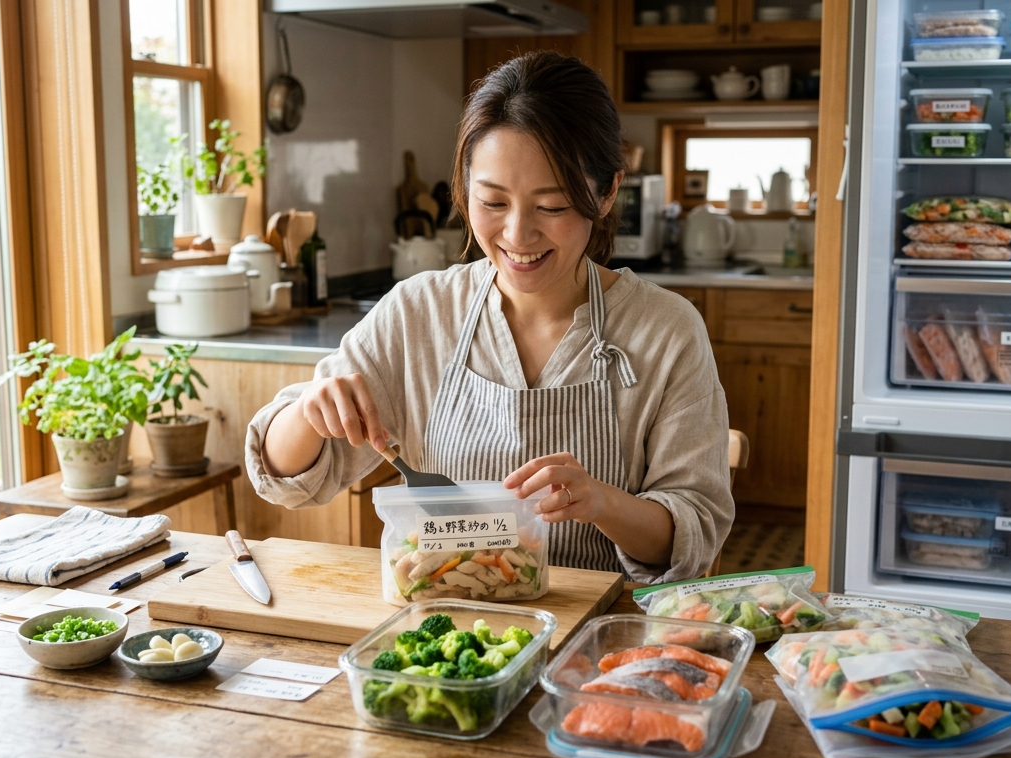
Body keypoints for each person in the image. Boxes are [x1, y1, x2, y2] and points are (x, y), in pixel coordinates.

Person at [245, 51, 732, 583]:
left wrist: (602, 503)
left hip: (600, 638)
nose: (518, 236)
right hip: (446, 628)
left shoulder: (667, 330)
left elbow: (696, 532)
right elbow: (283, 478)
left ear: (608, 191)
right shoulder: (419, 312)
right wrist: (309, 414)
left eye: (552, 206)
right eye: (493, 203)